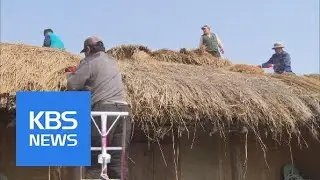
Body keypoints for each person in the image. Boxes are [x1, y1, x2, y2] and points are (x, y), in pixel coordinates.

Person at [66, 36, 131, 180]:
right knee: (118, 160)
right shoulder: (113, 61)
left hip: (105, 111)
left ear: (88, 49)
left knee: (95, 158)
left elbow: (72, 85)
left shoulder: (90, 61)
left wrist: (71, 74)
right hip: (124, 112)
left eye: (85, 52)